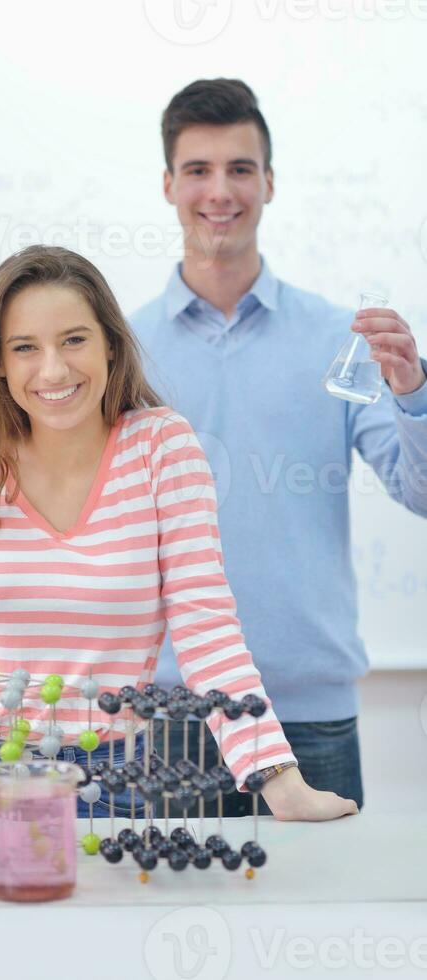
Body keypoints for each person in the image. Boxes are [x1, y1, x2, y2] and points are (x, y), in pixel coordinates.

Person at [0, 245, 359, 826]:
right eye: (25, 347)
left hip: (106, 780)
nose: (53, 369)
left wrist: (276, 781)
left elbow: (206, 629)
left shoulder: (162, 447)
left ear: (110, 343)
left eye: (74, 340)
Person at [128, 78, 427, 818]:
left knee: (329, 934)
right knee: (149, 928)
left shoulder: (341, 340)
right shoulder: (121, 350)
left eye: (240, 168)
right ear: (168, 185)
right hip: (167, 716)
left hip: (308, 714)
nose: (219, 190)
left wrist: (415, 394)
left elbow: (419, 493)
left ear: (269, 182)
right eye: (197, 169)